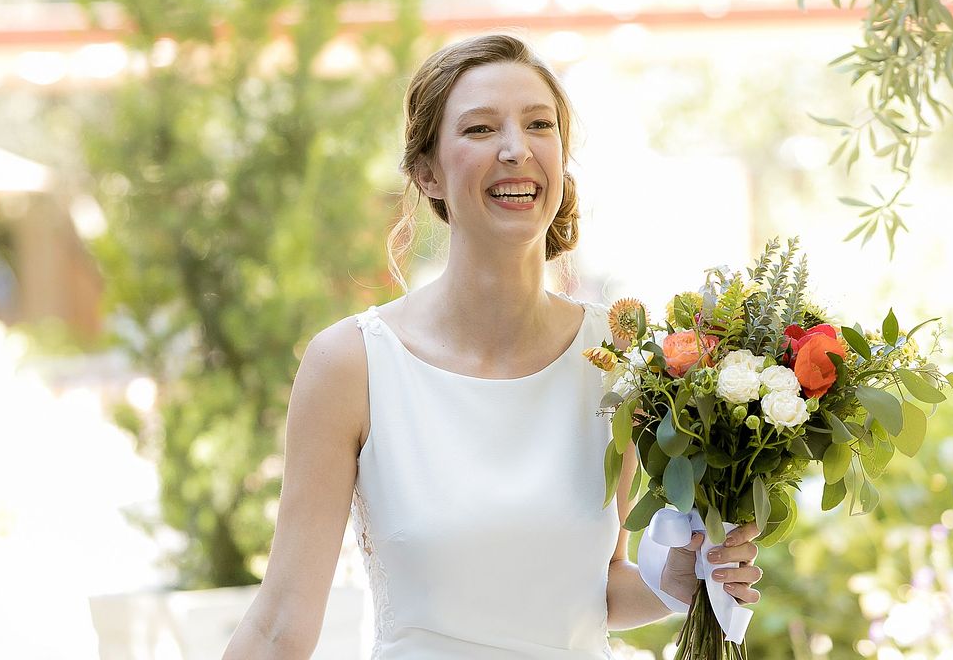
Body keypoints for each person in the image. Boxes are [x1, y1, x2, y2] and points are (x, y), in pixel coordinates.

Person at [222, 33, 764, 659]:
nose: (516, 149)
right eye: (480, 129)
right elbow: (281, 623)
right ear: (426, 171)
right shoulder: (352, 364)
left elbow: (593, 591)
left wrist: (677, 581)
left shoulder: (620, 353)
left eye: (539, 125)